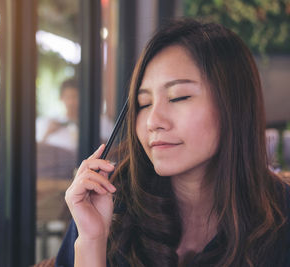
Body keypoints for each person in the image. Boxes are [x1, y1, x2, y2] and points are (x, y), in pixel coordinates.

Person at [56, 19, 290, 266]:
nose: (153, 121)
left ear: (234, 105)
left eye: (179, 97)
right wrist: (92, 241)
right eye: (144, 104)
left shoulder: (281, 217)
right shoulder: (106, 204)